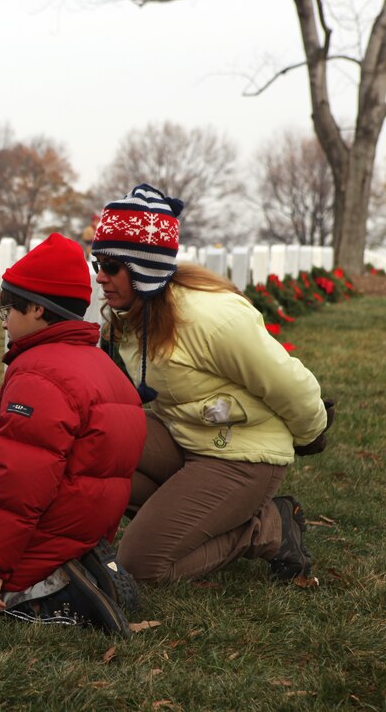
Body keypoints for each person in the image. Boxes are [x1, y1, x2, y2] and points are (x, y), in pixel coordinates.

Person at [91, 183, 333, 585]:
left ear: (144, 267)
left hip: (241, 455)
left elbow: (291, 383)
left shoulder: (212, 318)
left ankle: (268, 528)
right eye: (96, 262)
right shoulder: (133, 313)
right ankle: (185, 521)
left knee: (140, 565)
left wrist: (312, 432)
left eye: (111, 266)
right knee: (99, 443)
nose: (100, 277)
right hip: (188, 437)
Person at [0, 233, 147, 635]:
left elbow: (20, 484)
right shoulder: (104, 366)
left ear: (38, 310)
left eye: (8, 308)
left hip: (47, 530)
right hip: (84, 530)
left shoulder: (39, 374)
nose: (4, 319)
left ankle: (62, 598)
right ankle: (80, 566)